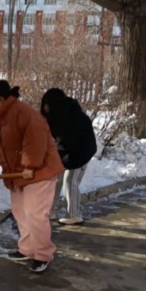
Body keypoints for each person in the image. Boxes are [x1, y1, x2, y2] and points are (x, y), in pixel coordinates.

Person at [0, 80, 64, 273]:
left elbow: (36, 139)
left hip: (39, 172)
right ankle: (27, 249)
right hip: (18, 174)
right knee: (20, 212)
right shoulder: (1, 118)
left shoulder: (24, 113)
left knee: (35, 214)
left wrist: (30, 165)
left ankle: (43, 254)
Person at [41, 88, 97, 226]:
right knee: (56, 179)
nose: (45, 107)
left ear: (54, 103)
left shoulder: (73, 116)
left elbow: (71, 142)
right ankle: (50, 211)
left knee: (70, 180)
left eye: (47, 104)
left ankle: (74, 215)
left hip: (81, 152)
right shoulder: (57, 116)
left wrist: (57, 155)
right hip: (68, 151)